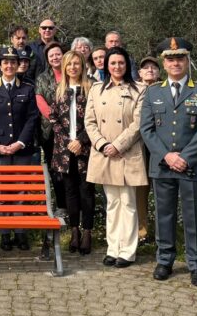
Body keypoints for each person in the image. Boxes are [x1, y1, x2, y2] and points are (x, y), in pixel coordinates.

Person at [140, 38, 197, 288]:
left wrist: (185, 157)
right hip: (162, 166)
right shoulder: (153, 92)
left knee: (193, 217)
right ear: (164, 62)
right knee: (164, 216)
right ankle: (165, 260)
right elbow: (147, 129)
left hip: (191, 166)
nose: (175, 63)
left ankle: (196, 265)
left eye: (180, 58)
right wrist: (167, 156)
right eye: (170, 59)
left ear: (187, 61)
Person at [86, 47, 148, 268]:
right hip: (104, 154)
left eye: (121, 63)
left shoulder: (139, 89)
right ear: (106, 65)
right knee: (112, 203)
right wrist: (103, 144)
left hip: (128, 152)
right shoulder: (96, 89)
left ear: (127, 64)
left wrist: (119, 145)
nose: (117, 67)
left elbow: (139, 123)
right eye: (113, 63)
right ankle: (113, 248)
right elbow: (89, 121)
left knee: (129, 203)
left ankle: (128, 251)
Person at [0, 47, 39, 251]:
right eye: (5, 62)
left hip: (21, 150)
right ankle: (5, 233)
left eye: (13, 62)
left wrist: (20, 143)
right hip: (0, 151)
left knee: (21, 194)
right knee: (2, 194)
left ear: (18, 65)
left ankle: (21, 233)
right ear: (0, 66)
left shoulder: (27, 89)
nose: (9, 65)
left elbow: (32, 119)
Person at [49, 51, 93, 257]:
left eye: (77, 64)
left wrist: (81, 140)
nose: (73, 67)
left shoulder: (91, 88)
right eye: (69, 64)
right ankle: (74, 230)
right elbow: (53, 119)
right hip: (64, 151)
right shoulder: (59, 90)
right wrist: (68, 142)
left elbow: (96, 119)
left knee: (86, 191)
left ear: (82, 66)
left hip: (86, 149)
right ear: (64, 68)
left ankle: (87, 232)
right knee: (70, 192)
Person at [35, 42, 66, 221]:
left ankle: (73, 205)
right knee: (55, 170)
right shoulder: (42, 78)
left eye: (58, 54)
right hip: (50, 132)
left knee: (71, 171)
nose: (55, 57)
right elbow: (40, 100)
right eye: (51, 55)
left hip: (72, 132)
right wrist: (56, 121)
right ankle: (61, 205)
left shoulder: (72, 75)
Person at [135, 54, 161, 242]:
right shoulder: (134, 90)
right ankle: (141, 232)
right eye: (146, 67)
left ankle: (163, 232)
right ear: (139, 72)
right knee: (140, 192)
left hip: (160, 147)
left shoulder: (165, 89)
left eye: (153, 67)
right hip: (139, 147)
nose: (150, 70)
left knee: (161, 191)